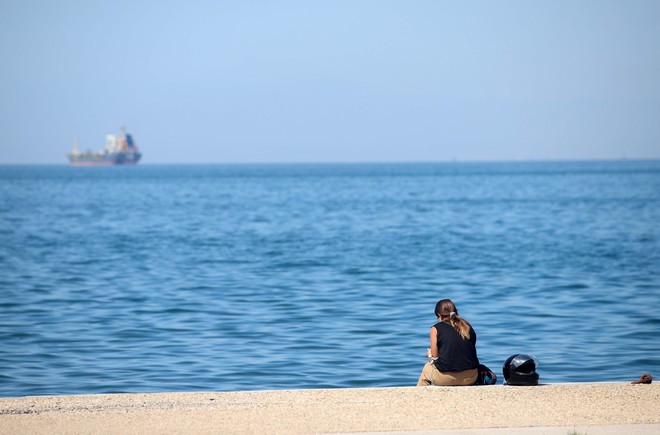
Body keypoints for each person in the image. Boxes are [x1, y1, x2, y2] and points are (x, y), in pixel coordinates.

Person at [416, 299, 479, 386]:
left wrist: (429, 354)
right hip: (471, 377)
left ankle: (419, 396)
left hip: (446, 379)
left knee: (427, 367)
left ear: (439, 315)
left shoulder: (435, 328)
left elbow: (435, 357)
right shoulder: (467, 326)